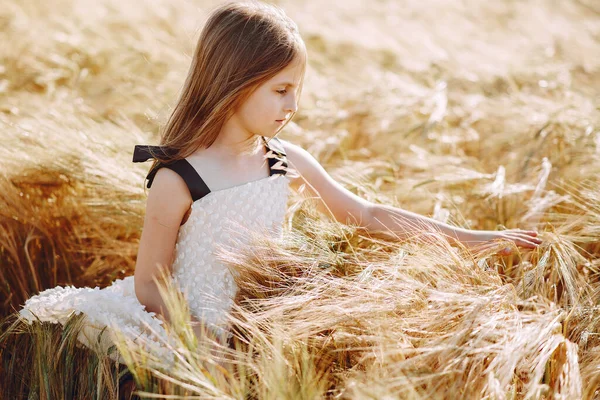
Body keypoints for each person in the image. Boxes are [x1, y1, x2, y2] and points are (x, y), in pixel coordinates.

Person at [18, 0, 542, 372]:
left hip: (260, 327)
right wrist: (201, 341)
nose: (294, 106)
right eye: (282, 90)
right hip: (185, 333)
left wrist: (473, 238)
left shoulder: (283, 161)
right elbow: (149, 284)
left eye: (298, 90)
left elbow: (364, 214)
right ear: (233, 83)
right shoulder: (180, 177)